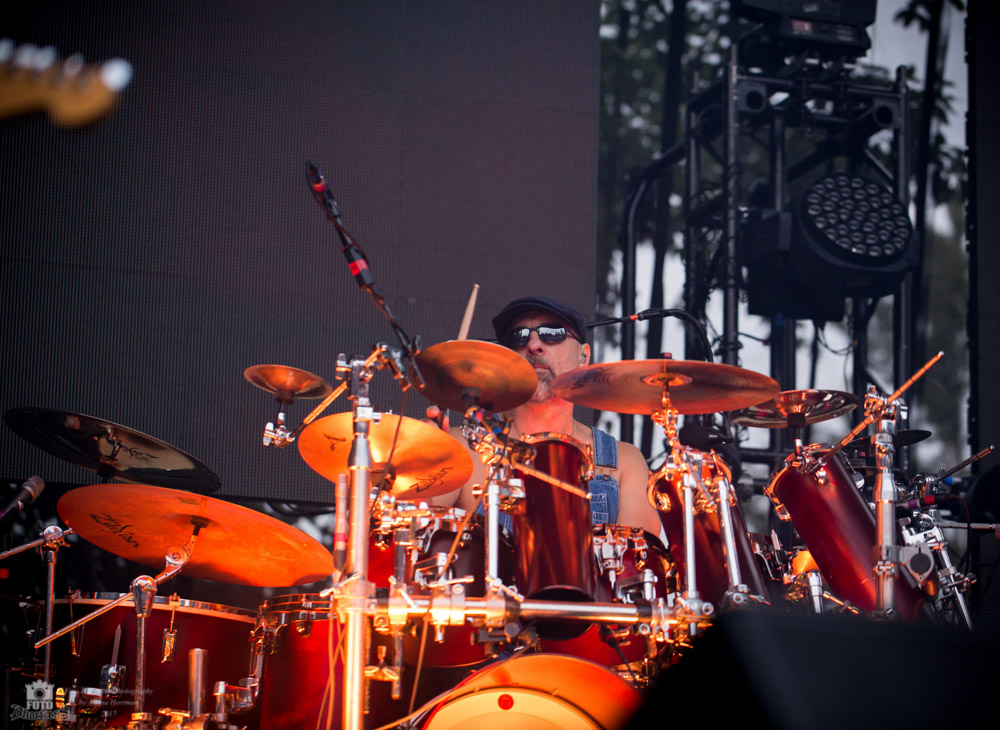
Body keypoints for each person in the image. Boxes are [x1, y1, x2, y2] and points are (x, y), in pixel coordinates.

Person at [431, 295, 662, 537]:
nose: (533, 345)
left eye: (552, 333)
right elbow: (415, 530)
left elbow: (638, 557)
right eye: (518, 337)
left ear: (583, 356)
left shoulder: (623, 463)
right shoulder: (464, 448)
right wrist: (418, 460)